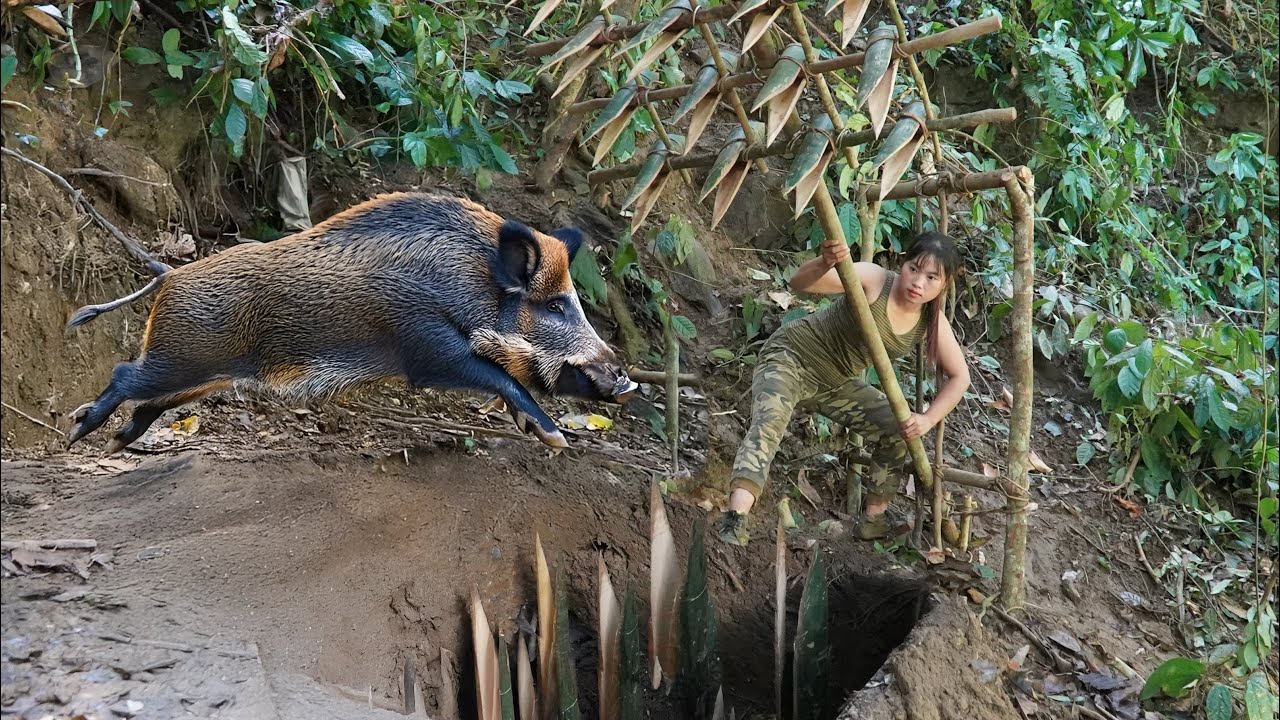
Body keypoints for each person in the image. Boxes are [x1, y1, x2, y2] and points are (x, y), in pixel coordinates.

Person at [715, 231, 971, 546]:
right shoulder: (876, 280)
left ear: (944, 284)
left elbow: (961, 377)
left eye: (932, 277)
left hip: (835, 384)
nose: (919, 282)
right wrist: (825, 262)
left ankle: (873, 521)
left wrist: (928, 419)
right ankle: (735, 518)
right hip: (791, 356)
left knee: (897, 425)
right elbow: (800, 283)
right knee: (770, 424)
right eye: (914, 269)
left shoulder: (931, 323)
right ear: (902, 264)